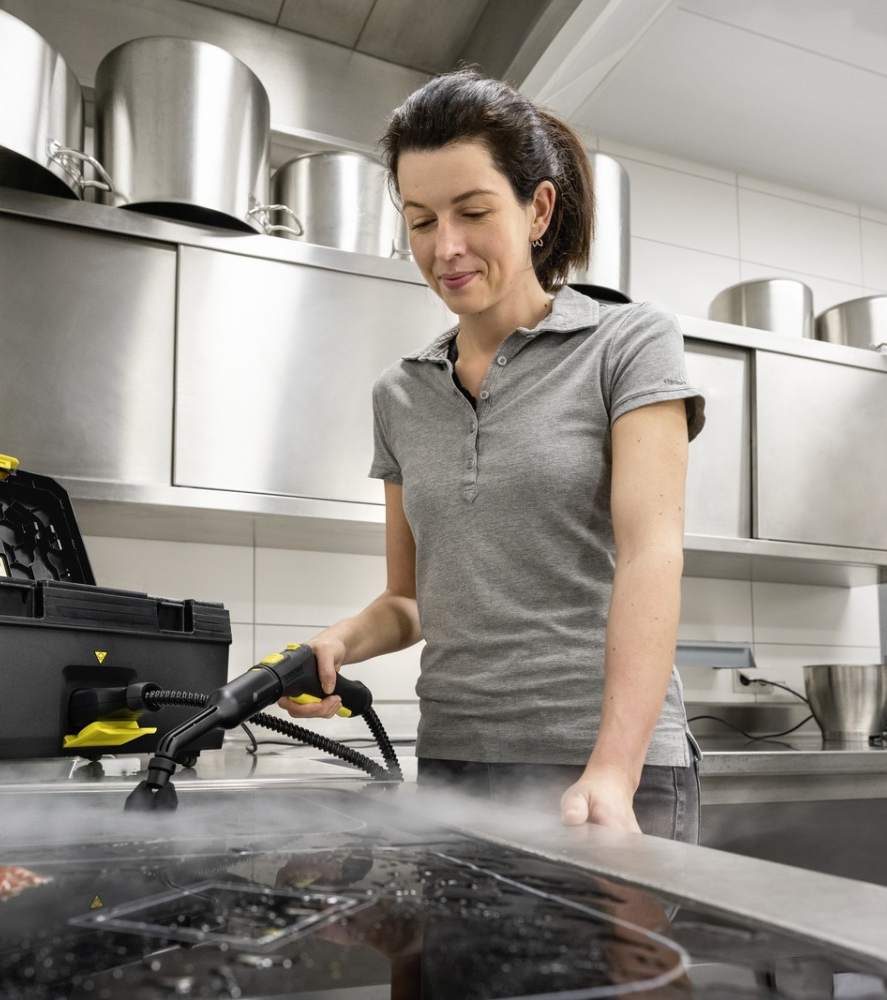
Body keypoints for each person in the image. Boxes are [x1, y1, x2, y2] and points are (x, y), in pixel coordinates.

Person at [280, 69, 706, 841]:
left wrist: (614, 769)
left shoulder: (628, 343)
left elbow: (652, 555)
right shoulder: (400, 394)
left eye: (473, 212)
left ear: (538, 208)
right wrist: (339, 643)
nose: (445, 247)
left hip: (604, 767)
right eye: (420, 221)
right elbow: (411, 601)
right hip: (457, 764)